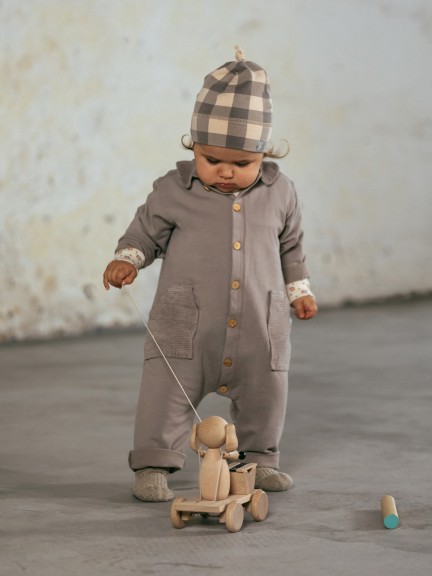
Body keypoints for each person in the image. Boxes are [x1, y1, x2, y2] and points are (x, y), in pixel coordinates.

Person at [103, 46, 318, 502]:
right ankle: (153, 466)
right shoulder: (173, 190)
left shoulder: (281, 194)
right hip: (187, 327)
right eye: (212, 159)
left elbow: (291, 247)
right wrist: (128, 259)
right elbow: (144, 233)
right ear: (193, 146)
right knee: (164, 396)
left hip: (259, 325)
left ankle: (259, 461)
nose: (225, 172)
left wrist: (299, 290)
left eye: (242, 164)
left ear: (264, 154)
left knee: (266, 391)